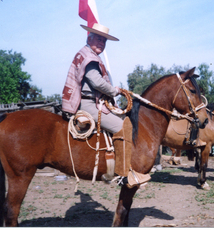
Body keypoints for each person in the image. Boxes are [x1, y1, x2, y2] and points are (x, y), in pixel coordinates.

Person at [62, 23, 150, 187]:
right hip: (88, 103)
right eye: (99, 39)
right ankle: (124, 175)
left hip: (93, 101)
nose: (101, 43)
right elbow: (96, 82)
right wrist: (114, 91)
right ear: (89, 38)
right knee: (124, 127)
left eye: (104, 41)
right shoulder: (89, 58)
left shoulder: (87, 55)